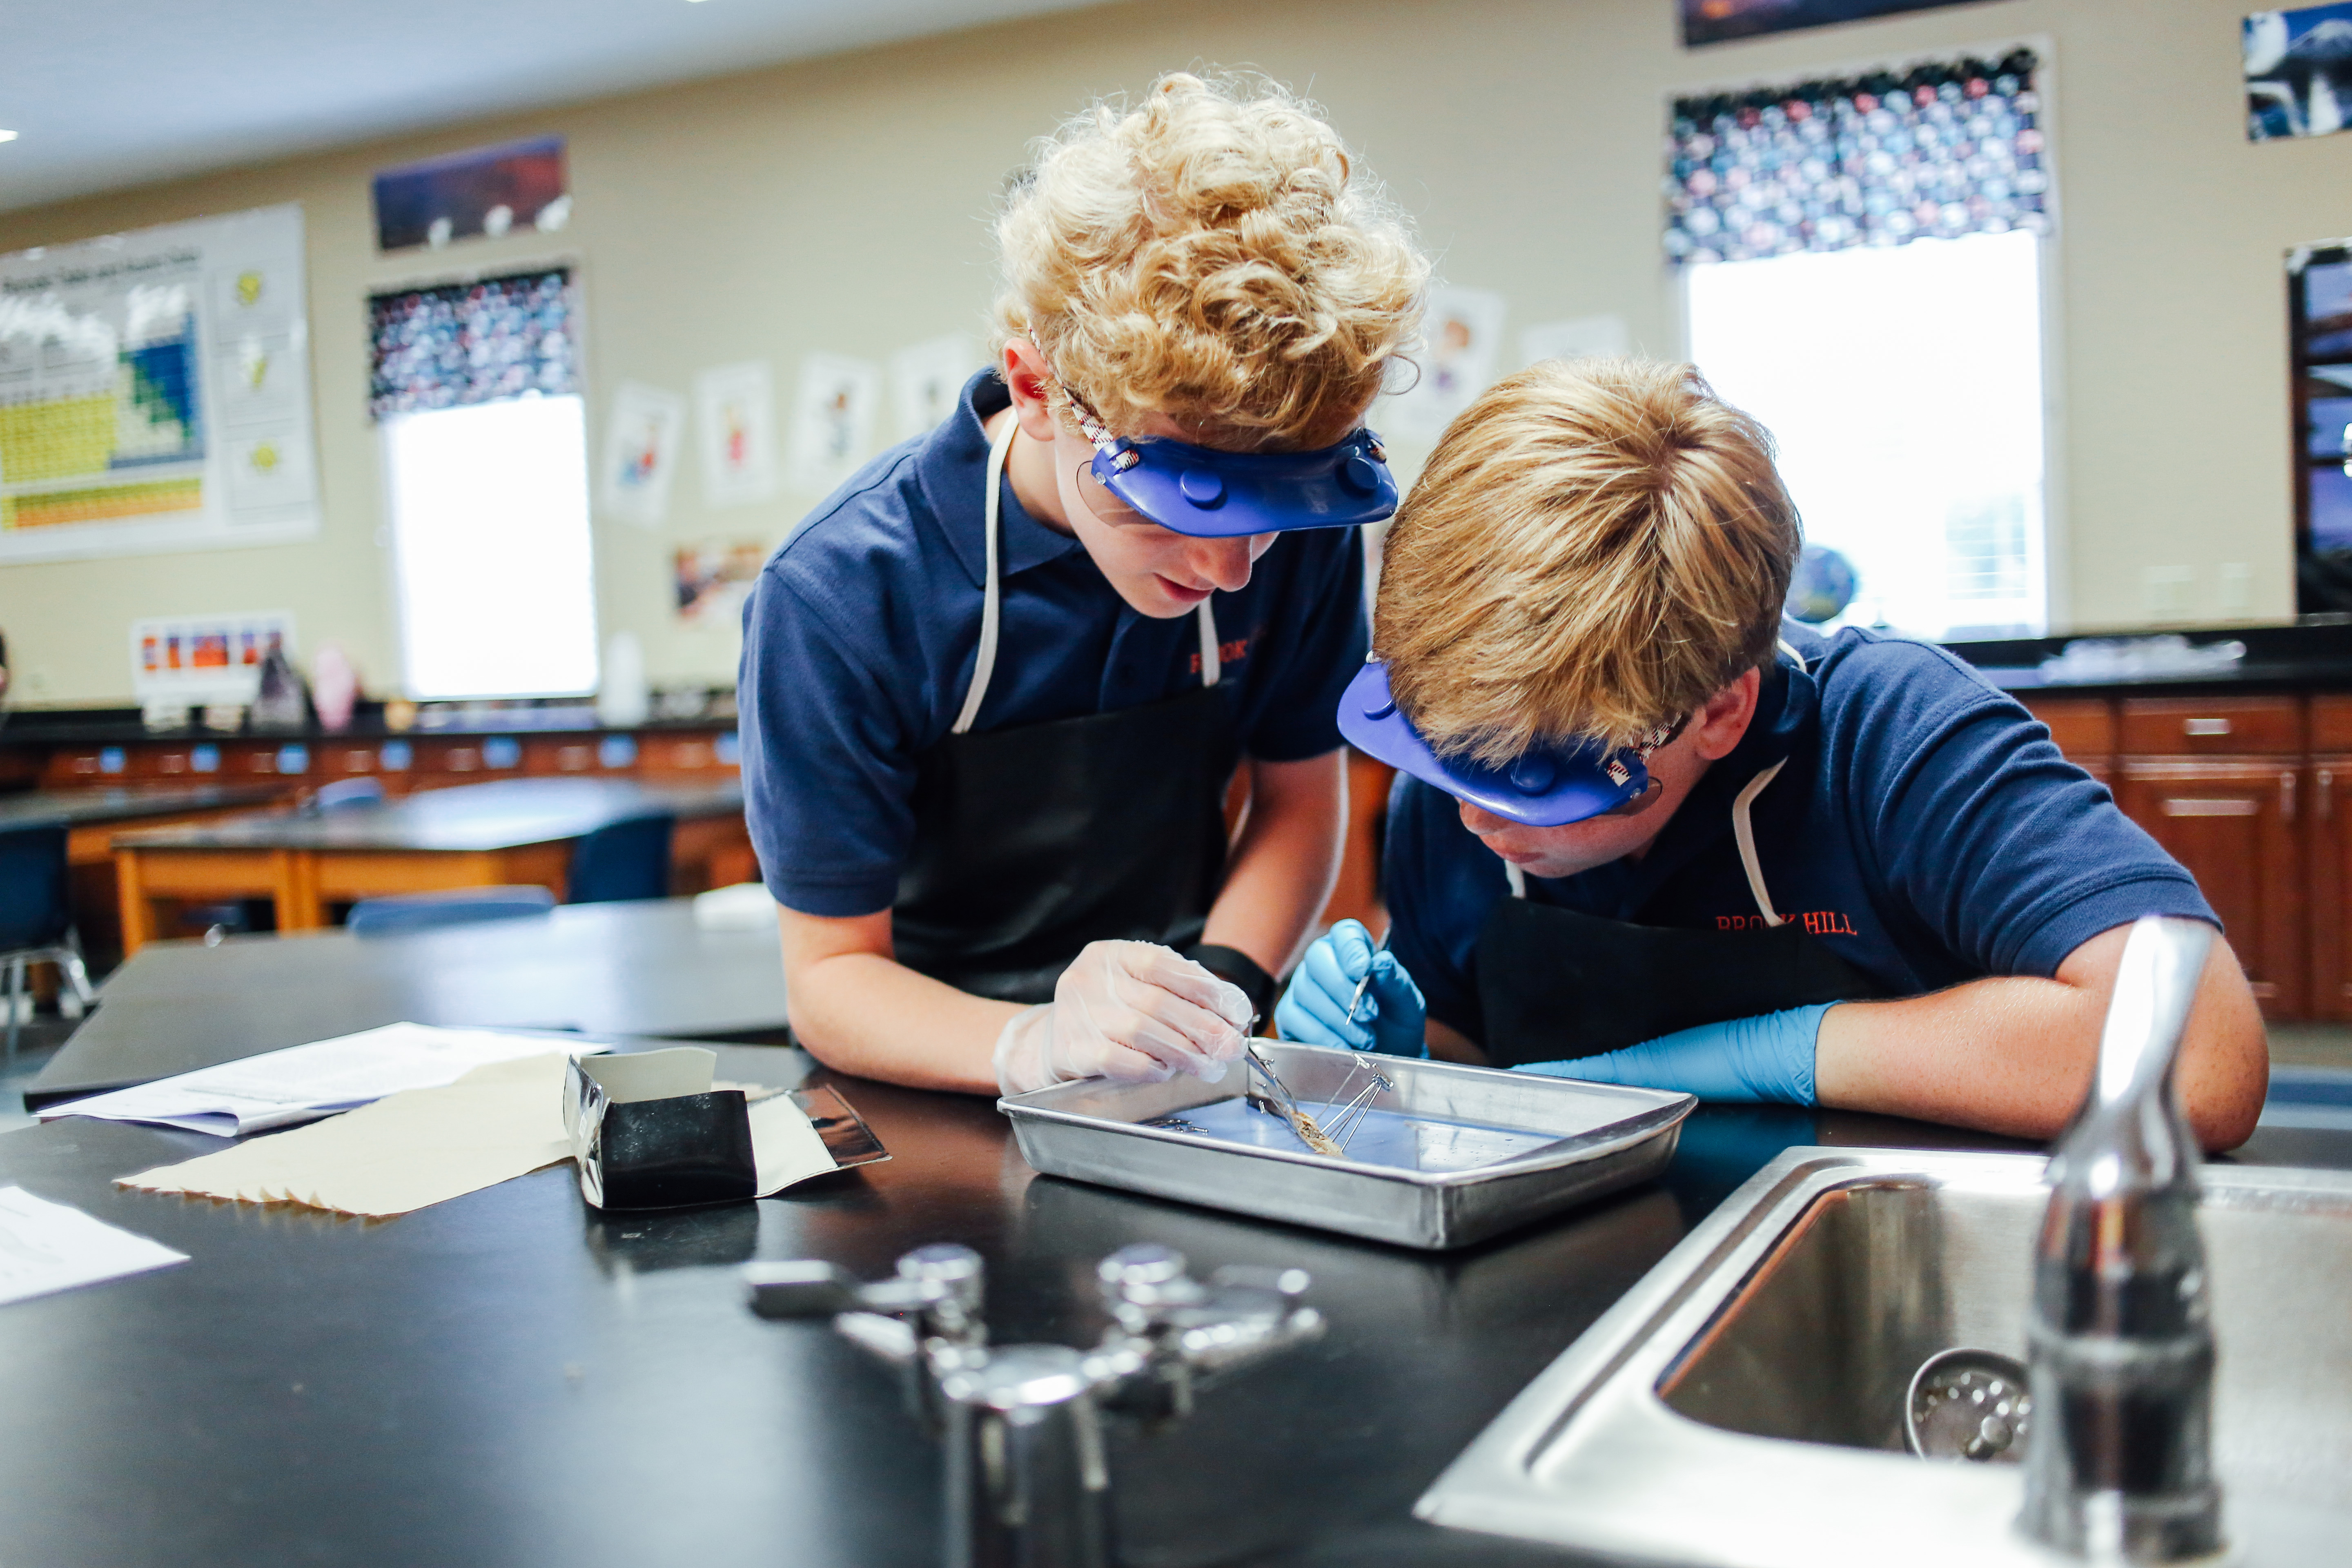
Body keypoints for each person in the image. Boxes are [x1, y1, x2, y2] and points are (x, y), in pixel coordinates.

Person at [1275, 358, 2268, 1149]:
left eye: (1539, 774)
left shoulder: (1892, 739)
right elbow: (1501, 1067)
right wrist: (1400, 1063)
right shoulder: (1450, 796)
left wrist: (1780, 1052)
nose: (1474, 816)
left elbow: (2202, 1053)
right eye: (1444, 754)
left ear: (1719, 709)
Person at [738, 73, 1428, 1098]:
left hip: (1169, 1065)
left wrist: (1216, 999)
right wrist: (1036, 1047)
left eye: (1267, 525)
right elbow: (833, 977)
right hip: (928, 1071)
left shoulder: (1304, 526)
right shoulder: (841, 595)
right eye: (1173, 515)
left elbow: (1298, 800)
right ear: (1036, 387)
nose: (1226, 571)